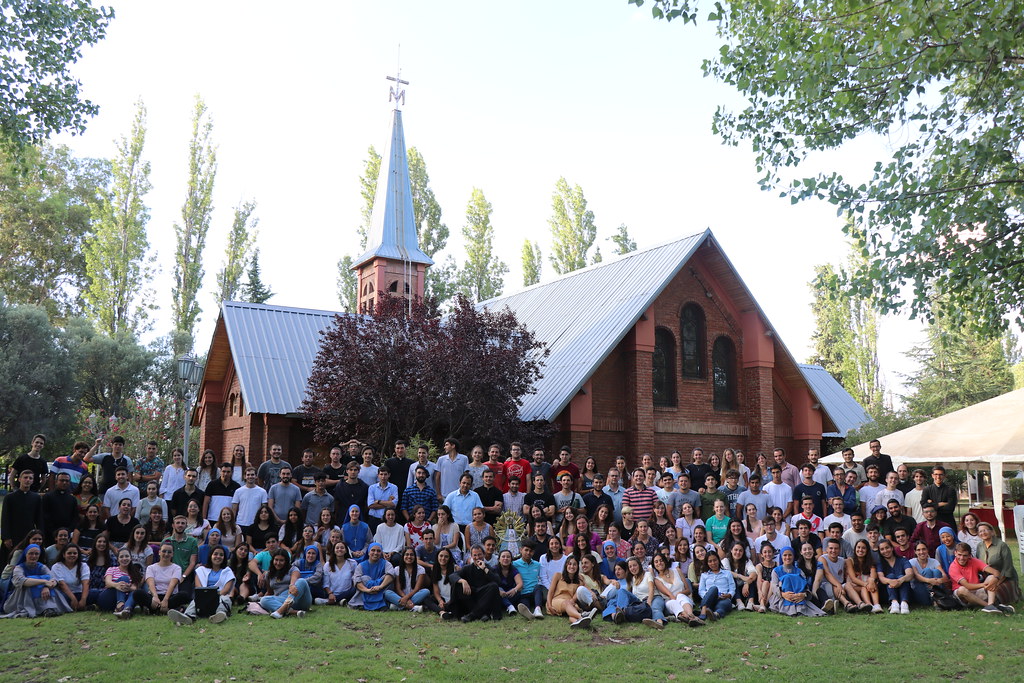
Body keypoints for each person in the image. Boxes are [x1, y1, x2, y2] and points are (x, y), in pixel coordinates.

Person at [167, 544, 235, 625]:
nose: (218, 556)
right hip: (204, 597)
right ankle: (188, 617)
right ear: (211, 556)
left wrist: (214, 596)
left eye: (221, 555)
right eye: (215, 554)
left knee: (225, 598)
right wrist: (208, 596)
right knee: (196, 600)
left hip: (220, 596)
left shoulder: (227, 571)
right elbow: (199, 588)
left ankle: (219, 615)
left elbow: (226, 589)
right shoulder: (201, 570)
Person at [0, 543, 71, 618]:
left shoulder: (42, 566)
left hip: (43, 591)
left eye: (36, 554)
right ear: (25, 554)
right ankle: (46, 609)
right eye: (31, 553)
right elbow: (21, 581)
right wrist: (43, 581)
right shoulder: (18, 568)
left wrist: (46, 586)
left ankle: (48, 608)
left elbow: (53, 579)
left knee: (43, 584)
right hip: (23, 596)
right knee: (31, 585)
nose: (34, 556)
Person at [947, 542, 1007, 613]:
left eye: (965, 555)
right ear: (955, 553)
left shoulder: (974, 561)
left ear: (969, 555)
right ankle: (990, 606)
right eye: (959, 555)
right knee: (962, 589)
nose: (962, 558)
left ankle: (991, 605)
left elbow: (996, 572)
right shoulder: (953, 567)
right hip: (962, 595)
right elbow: (967, 586)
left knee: (991, 577)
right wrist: (984, 585)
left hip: (977, 590)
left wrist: (995, 580)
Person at [2, 471, 43, 566]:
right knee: (10, 562)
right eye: (25, 477)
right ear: (19, 479)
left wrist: (40, 536)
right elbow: (5, 518)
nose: (27, 480)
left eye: (30, 478)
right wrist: (6, 537)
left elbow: (39, 519)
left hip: (28, 535)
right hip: (12, 535)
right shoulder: (10, 497)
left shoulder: (36, 498)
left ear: (33, 481)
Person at [975, 521, 1021, 605]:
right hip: (988, 578)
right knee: (982, 591)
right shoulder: (979, 546)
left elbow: (1008, 568)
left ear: (992, 532)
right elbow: (979, 565)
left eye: (985, 530)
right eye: (980, 531)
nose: (983, 533)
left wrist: (997, 582)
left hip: (1005, 578)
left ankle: (994, 604)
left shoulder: (1002, 546)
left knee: (997, 592)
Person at [259, 549, 312, 618]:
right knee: (263, 600)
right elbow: (270, 592)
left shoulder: (293, 569)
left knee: (302, 581)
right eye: (276, 560)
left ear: (286, 561)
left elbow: (294, 581)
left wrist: (292, 585)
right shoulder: (269, 574)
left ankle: (281, 611)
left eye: (281, 560)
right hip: (281, 599)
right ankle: (292, 611)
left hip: (299, 599)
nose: (278, 563)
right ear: (272, 560)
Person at [545, 554, 590, 627]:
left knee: (574, 609)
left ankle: (578, 622)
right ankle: (581, 617)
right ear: (566, 565)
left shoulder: (579, 579)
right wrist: (549, 605)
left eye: (574, 564)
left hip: (569, 602)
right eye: (570, 564)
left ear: (577, 567)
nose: (572, 566)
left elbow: (576, 596)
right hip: (556, 601)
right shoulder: (558, 575)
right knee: (568, 604)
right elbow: (551, 591)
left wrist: (572, 602)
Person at [141, 542, 185, 614]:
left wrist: (165, 600)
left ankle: (154, 609)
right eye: (164, 551)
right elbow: (150, 584)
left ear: (172, 554)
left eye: (169, 552)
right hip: (155, 596)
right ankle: (168, 609)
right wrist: (155, 597)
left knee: (184, 595)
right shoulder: (151, 568)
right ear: (159, 552)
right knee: (137, 593)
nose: (166, 554)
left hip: (170, 596)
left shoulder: (177, 568)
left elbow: (172, 585)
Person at [384, 546, 430, 611]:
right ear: (403, 557)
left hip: (414, 596)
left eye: (411, 555)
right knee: (387, 593)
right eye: (407, 554)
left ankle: (399, 607)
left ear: (415, 557)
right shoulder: (397, 569)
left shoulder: (421, 569)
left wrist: (406, 598)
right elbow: (398, 589)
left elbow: (417, 588)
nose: (409, 557)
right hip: (400, 596)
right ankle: (413, 607)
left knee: (426, 591)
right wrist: (405, 598)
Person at [351, 543, 393, 611]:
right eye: (373, 550)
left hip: (381, 590)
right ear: (368, 552)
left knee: (387, 578)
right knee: (364, 579)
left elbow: (391, 574)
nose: (375, 553)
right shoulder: (361, 566)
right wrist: (367, 590)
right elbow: (356, 580)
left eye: (378, 551)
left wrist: (380, 587)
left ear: (381, 553)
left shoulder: (386, 564)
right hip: (366, 591)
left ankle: (381, 604)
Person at [876, 539, 913, 614]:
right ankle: (894, 602)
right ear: (879, 551)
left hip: (903, 589)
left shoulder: (903, 560)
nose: (885, 551)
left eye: (887, 547)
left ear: (892, 548)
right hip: (887, 592)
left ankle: (904, 603)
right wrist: (891, 581)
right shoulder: (880, 563)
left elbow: (910, 574)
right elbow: (881, 578)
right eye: (882, 549)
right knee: (890, 576)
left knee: (903, 577)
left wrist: (900, 580)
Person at [845, 539, 882, 613]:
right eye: (858, 547)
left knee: (872, 582)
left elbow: (873, 575)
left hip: (868, 589)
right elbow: (853, 579)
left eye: (863, 548)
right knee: (858, 586)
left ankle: (876, 605)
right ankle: (869, 605)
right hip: (854, 588)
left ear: (867, 550)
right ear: (855, 549)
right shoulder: (850, 561)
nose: (860, 550)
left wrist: (871, 580)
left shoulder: (870, 561)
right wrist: (867, 584)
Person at [42, 472, 79, 543]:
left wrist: (69, 531)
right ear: (56, 482)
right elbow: (45, 516)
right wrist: (54, 532)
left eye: (67, 481)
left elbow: (75, 517)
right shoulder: (48, 497)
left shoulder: (72, 499)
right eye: (62, 480)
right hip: (50, 534)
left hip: (67, 535)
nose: (64, 483)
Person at [53, 543, 90, 612]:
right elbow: (62, 584)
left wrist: (83, 599)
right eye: (69, 553)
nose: (72, 555)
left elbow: (86, 583)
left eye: (75, 553)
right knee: (59, 598)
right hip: (65, 594)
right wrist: (73, 599)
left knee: (96, 594)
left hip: (80, 593)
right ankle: (81, 607)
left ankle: (82, 605)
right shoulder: (57, 566)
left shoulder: (83, 566)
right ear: (64, 555)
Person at [909, 540, 947, 606]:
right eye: (918, 550)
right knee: (927, 571)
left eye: (924, 549)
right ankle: (935, 600)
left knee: (937, 571)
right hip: (919, 588)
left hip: (934, 586)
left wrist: (938, 581)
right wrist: (929, 580)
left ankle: (937, 600)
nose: (921, 552)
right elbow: (916, 575)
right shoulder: (912, 562)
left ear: (927, 550)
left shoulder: (934, 561)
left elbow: (944, 576)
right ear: (915, 552)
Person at [422, 548, 457, 618]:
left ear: (449, 558)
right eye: (441, 556)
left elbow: (456, 589)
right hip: (442, 598)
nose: (443, 558)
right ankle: (442, 612)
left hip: (453, 599)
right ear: (437, 557)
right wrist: (440, 601)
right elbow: (436, 590)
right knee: (427, 599)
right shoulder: (434, 569)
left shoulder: (455, 569)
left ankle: (448, 610)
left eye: (446, 556)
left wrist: (450, 601)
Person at [321, 540, 357, 606]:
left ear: (346, 550)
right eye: (337, 548)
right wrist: (330, 594)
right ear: (334, 551)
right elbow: (326, 583)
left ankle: (330, 602)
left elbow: (355, 579)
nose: (339, 549)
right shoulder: (327, 565)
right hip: (332, 593)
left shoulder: (352, 563)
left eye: (342, 548)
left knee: (356, 589)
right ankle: (338, 601)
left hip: (347, 592)